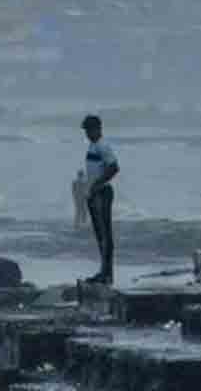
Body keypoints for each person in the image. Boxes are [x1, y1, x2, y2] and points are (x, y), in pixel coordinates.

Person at [81, 115, 119, 285]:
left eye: (90, 130)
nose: (87, 133)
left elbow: (114, 167)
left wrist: (97, 184)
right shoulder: (93, 145)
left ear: (98, 129)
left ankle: (107, 273)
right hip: (94, 194)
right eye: (86, 130)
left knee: (105, 234)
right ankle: (104, 271)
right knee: (99, 235)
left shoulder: (103, 146)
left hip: (102, 193)